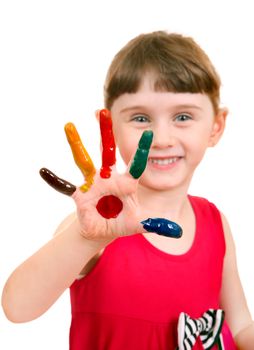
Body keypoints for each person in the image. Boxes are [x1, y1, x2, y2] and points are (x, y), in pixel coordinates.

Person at [1, 30, 254, 349]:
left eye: (183, 116)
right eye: (140, 118)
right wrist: (85, 237)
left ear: (216, 127)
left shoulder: (215, 221)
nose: (161, 138)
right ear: (108, 124)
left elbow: (240, 323)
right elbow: (17, 308)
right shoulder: (98, 224)